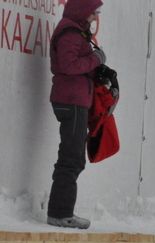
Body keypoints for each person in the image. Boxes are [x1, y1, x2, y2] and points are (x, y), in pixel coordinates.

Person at [47, 0, 107, 229]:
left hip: (74, 101)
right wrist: (96, 59)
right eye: (94, 13)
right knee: (71, 158)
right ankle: (60, 213)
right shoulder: (71, 32)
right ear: (83, 10)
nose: (95, 18)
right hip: (70, 102)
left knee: (73, 157)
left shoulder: (76, 31)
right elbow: (69, 65)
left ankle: (61, 211)